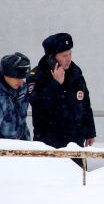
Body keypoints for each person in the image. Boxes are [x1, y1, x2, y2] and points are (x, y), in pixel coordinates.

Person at [27, 32, 96, 165]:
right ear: (52, 57)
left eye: (70, 54)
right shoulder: (37, 75)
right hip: (49, 142)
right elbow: (38, 103)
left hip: (75, 141)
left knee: (78, 179)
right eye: (64, 56)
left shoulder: (76, 73)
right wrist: (56, 83)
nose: (68, 59)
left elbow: (85, 103)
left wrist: (90, 132)